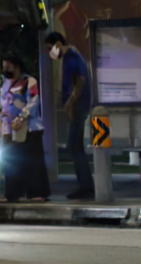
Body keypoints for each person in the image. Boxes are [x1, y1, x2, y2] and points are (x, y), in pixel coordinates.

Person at [45, 32, 95, 199]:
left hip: (79, 107)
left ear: (58, 44)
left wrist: (70, 103)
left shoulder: (72, 57)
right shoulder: (71, 57)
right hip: (78, 106)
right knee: (75, 147)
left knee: (74, 147)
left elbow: (80, 82)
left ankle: (86, 187)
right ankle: (86, 186)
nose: (50, 53)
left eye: (50, 48)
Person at [0, 54, 50, 203]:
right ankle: (12, 194)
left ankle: (37, 192)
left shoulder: (29, 81)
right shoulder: (4, 83)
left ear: (18, 67)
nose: (6, 71)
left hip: (29, 128)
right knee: (11, 161)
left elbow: (33, 101)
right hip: (9, 128)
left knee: (33, 161)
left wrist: (22, 117)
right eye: (4, 68)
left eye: (9, 68)